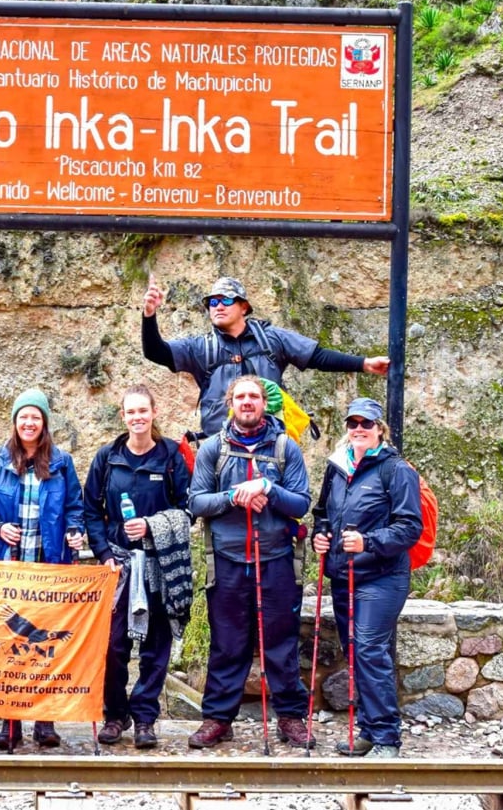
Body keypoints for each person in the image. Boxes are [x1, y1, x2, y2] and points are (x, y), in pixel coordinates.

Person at [186, 375, 313, 749]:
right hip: (228, 560)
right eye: (240, 396)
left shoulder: (286, 448)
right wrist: (235, 496)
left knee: (281, 643)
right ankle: (218, 719)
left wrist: (268, 489)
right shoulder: (213, 449)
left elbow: (301, 502)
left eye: (253, 396)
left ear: (264, 403)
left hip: (276, 559)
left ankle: (290, 717)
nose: (246, 401)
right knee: (228, 644)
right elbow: (197, 502)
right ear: (230, 403)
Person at [311, 397, 422, 759]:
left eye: (366, 423)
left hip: (382, 577)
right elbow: (322, 513)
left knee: (370, 650)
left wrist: (368, 542)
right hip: (344, 576)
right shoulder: (337, 467)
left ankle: (387, 738)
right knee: (357, 653)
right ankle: (370, 731)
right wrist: (320, 536)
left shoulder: (396, 470)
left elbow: (410, 527)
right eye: (353, 423)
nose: (359, 428)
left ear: (379, 429)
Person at [141, 275, 390, 435]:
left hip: (270, 443)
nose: (217, 306)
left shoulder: (271, 339)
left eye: (226, 300)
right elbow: (156, 352)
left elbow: (317, 357)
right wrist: (149, 316)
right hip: (221, 446)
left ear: (244, 307)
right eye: (212, 303)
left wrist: (364, 364)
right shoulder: (201, 347)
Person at [84, 385, 191, 750]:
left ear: (154, 412)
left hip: (159, 565)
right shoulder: (108, 457)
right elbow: (90, 510)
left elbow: (188, 509)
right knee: (113, 645)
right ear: (123, 416)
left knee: (155, 647)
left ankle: (145, 718)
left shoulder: (171, 455)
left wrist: (151, 526)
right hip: (118, 564)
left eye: (143, 410)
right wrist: (103, 553)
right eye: (131, 412)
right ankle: (115, 715)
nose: (137, 417)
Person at [0, 388, 86, 751]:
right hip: (8, 567)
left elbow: (74, 507)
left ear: (44, 423)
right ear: (14, 421)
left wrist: (75, 530)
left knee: (44, 648)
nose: (29, 423)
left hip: (48, 565)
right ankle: (9, 723)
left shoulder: (61, 462)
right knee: (9, 647)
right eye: (23, 416)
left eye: (35, 417)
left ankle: (45, 721)